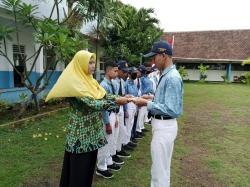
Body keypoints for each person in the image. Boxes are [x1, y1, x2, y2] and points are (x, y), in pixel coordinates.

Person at [45, 50, 129, 187]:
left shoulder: (90, 81)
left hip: (92, 136)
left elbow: (104, 95)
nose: (93, 65)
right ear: (80, 63)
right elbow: (92, 103)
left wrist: (120, 98)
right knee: (78, 174)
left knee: (87, 173)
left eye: (93, 62)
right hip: (80, 138)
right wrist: (116, 102)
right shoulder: (75, 83)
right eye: (89, 62)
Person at [133, 41, 183, 187]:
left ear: (164, 55)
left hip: (164, 125)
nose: (152, 62)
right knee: (162, 169)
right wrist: (151, 98)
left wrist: (146, 104)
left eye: (155, 57)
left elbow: (172, 109)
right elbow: (165, 100)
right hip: (162, 125)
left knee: (158, 171)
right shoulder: (167, 74)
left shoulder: (172, 77)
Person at [96, 62, 124, 179]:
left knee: (110, 139)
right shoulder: (103, 85)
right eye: (115, 71)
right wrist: (107, 123)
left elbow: (113, 102)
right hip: (106, 115)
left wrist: (116, 117)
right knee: (105, 141)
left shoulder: (111, 83)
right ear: (108, 71)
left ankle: (108, 161)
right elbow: (103, 106)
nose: (116, 73)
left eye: (117, 71)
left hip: (113, 113)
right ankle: (101, 167)